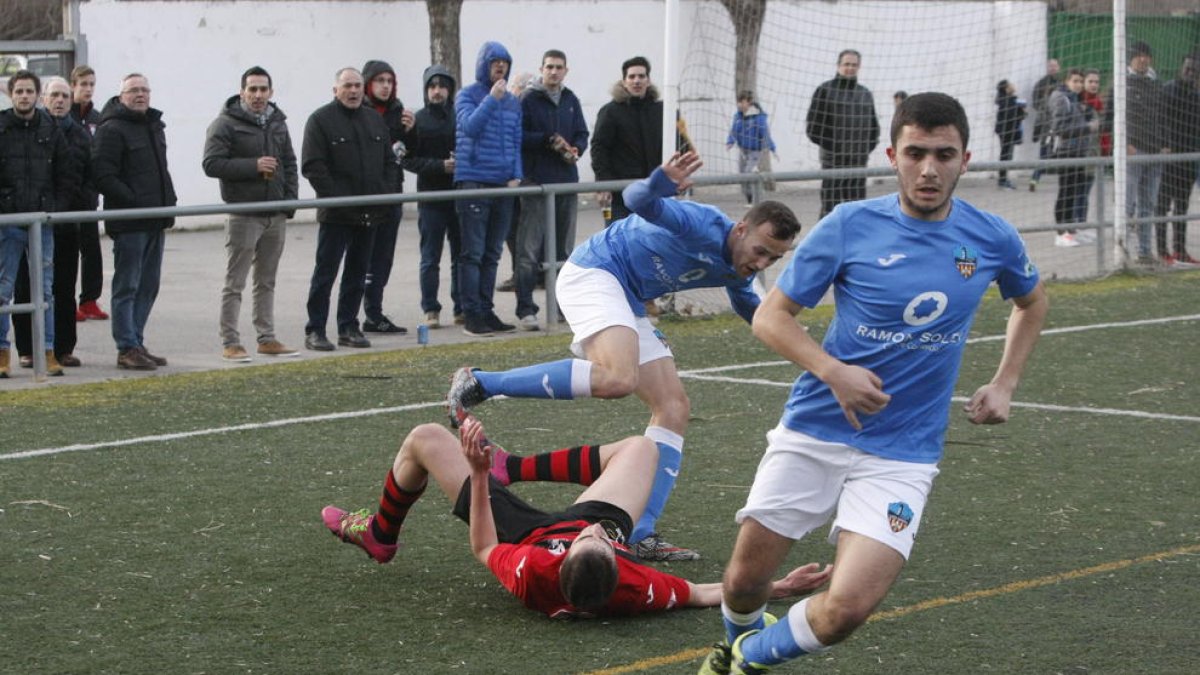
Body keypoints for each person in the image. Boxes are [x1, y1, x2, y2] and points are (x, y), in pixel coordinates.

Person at [698, 93, 1048, 675]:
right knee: (743, 582)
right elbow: (770, 316)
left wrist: (1005, 381)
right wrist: (834, 372)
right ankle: (740, 628)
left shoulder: (993, 238)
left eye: (944, 154)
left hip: (904, 453)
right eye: (915, 153)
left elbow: (1031, 303)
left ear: (967, 158)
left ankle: (741, 661)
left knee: (848, 610)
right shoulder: (849, 225)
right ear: (892, 154)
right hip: (815, 428)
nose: (929, 169)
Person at [447, 151, 802, 561]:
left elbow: (756, 315)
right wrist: (659, 182)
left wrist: (812, 357)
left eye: (772, 259)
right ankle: (482, 381)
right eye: (759, 251)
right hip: (594, 272)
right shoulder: (699, 223)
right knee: (618, 378)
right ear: (741, 229)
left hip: (628, 297)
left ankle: (640, 531)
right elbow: (636, 200)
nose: (760, 263)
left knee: (673, 407)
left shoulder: (738, 268)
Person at [321, 413, 833, 619]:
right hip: (576, 553)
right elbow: (702, 593)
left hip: (519, 534)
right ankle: (513, 466)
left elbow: (482, 546)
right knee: (640, 449)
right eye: (601, 539)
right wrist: (780, 587)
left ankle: (380, 534)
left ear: (559, 558)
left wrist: (479, 475)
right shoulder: (634, 585)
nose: (590, 531)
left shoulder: (531, 571)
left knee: (425, 439)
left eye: (584, 538)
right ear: (617, 556)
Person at [202, 65, 301, 363]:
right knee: (235, 282)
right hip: (243, 214)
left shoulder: (278, 123)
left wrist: (288, 204)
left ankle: (267, 338)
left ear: (271, 92)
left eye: (263, 89)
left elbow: (289, 163)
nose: (258, 95)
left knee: (267, 280)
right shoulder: (224, 124)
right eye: (253, 89)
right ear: (242, 91)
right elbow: (211, 164)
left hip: (275, 214)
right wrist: (253, 166)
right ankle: (230, 341)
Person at [301, 67, 396, 352]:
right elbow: (313, 166)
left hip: (370, 214)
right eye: (347, 86)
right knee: (326, 273)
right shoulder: (320, 121)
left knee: (357, 273)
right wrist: (338, 198)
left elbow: (389, 162)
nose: (353, 91)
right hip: (337, 214)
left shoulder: (374, 121)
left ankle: (348, 326)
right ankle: (315, 329)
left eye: (357, 85)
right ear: (335, 90)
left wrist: (386, 194)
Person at [92, 73, 178, 371]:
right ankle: (126, 347)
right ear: (121, 95)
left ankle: (137, 341)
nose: (140, 95)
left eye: (144, 90)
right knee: (127, 285)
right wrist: (133, 201)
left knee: (148, 284)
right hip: (130, 222)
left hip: (155, 219)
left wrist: (168, 202)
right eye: (133, 91)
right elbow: (103, 174)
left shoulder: (153, 125)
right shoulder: (111, 129)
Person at [11, 77, 91, 370]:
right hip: (29, 222)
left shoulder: (81, 135)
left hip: (66, 223)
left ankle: (62, 348)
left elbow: (83, 178)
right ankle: (28, 349)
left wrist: (66, 208)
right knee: (25, 286)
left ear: (71, 101)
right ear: (43, 99)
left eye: (64, 96)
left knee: (63, 287)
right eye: (54, 95)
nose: (59, 101)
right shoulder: (30, 131)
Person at [0, 71, 73, 378]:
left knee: (45, 291)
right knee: (3, 291)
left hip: (41, 224)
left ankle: (48, 351)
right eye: (20, 91)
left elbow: (66, 173)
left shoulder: (51, 129)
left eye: (30, 91)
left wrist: (53, 209)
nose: (25, 96)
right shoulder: (1, 127)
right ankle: (2, 354)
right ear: (11, 93)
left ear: (37, 94)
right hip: (9, 223)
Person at [514, 49, 590, 331]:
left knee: (565, 251)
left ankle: (562, 307)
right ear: (541, 69)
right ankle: (526, 309)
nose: (554, 72)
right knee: (529, 249)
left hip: (566, 181)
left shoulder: (571, 100)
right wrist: (547, 140)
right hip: (536, 183)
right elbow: (518, 136)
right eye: (549, 67)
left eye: (559, 67)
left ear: (566, 71)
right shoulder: (528, 99)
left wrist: (576, 149)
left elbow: (582, 133)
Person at [454, 41, 523, 338]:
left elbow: (515, 140)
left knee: (493, 252)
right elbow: (469, 127)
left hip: (502, 185)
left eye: (504, 62)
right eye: (495, 62)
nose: (500, 67)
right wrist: (491, 99)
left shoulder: (513, 101)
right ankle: (470, 314)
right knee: (473, 252)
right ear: (484, 64)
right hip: (474, 181)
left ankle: (486, 308)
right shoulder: (467, 95)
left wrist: (516, 174)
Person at [402, 65, 461, 329]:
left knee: (461, 255)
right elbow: (408, 160)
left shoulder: (460, 117)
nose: (437, 91)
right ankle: (431, 308)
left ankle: (461, 306)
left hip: (459, 195)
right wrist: (439, 166)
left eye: (442, 86)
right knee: (430, 258)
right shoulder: (417, 120)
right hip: (430, 198)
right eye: (432, 86)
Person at [359, 59, 415, 335]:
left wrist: (411, 130)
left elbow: (406, 153)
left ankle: (374, 312)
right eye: (379, 81)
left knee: (383, 258)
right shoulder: (360, 111)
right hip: (366, 197)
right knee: (362, 258)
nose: (385, 86)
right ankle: (353, 316)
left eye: (389, 81)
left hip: (392, 194)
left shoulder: (397, 111)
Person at [1107, 42, 1166, 264]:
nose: (1143, 59)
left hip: (1155, 151)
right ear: (1130, 59)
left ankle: (1144, 251)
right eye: (1138, 56)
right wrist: (1123, 142)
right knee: (1127, 203)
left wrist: (1165, 143)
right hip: (1132, 151)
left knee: (1148, 204)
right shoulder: (1121, 83)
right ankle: (1122, 251)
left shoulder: (1155, 84)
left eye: (1146, 56)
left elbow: (1164, 116)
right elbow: (1111, 117)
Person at [806, 49, 880, 217]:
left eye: (854, 65)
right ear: (839, 65)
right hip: (833, 163)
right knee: (830, 212)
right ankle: (827, 243)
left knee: (857, 211)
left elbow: (874, 127)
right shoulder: (824, 91)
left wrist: (863, 150)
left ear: (859, 67)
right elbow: (813, 128)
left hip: (858, 163)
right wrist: (834, 149)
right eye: (846, 64)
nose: (850, 68)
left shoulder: (865, 94)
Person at [591, 56, 662, 225]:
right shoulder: (610, 112)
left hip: (654, 193)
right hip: (620, 196)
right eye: (632, 77)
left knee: (655, 243)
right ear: (624, 81)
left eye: (641, 76)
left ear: (649, 80)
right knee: (619, 242)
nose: (637, 81)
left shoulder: (662, 111)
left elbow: (680, 145)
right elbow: (599, 149)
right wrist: (603, 184)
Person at [68, 64, 107, 322]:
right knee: (68, 251)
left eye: (91, 84)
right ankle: (66, 301)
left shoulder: (98, 119)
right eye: (83, 84)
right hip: (66, 198)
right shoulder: (63, 116)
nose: (88, 89)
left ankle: (90, 299)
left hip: (89, 198)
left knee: (92, 249)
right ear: (73, 86)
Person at [1155, 53, 1200, 265]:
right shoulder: (1169, 89)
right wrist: (1164, 144)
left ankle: (1180, 250)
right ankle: (1162, 251)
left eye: (1195, 70)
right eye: (1188, 69)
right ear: (1181, 68)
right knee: (1163, 204)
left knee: (1182, 206)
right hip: (1171, 158)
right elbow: (1160, 119)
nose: (1191, 73)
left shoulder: (1196, 93)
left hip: (1189, 159)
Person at [1048, 68, 1098, 248]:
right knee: (1066, 193)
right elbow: (1059, 129)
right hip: (1066, 153)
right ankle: (1060, 233)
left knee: (1075, 193)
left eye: (1080, 81)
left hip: (1078, 152)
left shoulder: (1074, 98)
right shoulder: (1061, 98)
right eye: (1075, 81)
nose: (1078, 85)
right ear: (1067, 81)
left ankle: (1071, 230)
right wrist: (1087, 128)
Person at [726, 91, 777, 206]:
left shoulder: (758, 117)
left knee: (749, 172)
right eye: (738, 102)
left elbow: (765, 133)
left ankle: (757, 198)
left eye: (742, 102)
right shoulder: (738, 117)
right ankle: (749, 198)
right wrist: (730, 141)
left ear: (749, 103)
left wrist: (772, 147)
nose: (740, 105)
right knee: (742, 175)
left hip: (755, 151)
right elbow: (734, 130)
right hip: (743, 150)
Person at [1029, 58, 1061, 191]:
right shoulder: (1041, 84)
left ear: (1059, 68)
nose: (1053, 68)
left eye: (1055, 66)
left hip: (1061, 128)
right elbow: (1036, 104)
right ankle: (1035, 178)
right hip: (1048, 130)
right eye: (1050, 66)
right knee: (1045, 154)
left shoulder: (1062, 83)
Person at [993, 79, 1025, 190]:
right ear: (1006, 88)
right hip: (1007, 132)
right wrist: (1021, 112)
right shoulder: (1008, 101)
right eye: (1011, 84)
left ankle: (1003, 179)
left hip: (1007, 131)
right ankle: (1002, 180)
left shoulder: (1009, 100)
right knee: (1005, 155)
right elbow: (1012, 117)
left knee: (1006, 155)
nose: (1013, 85)